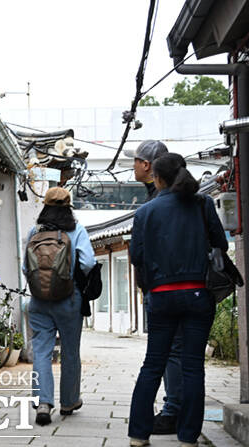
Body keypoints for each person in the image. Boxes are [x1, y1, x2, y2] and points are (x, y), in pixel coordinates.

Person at [128, 153, 228, 447]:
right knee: (193, 366)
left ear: (157, 178)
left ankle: (138, 435)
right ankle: (187, 438)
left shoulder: (146, 212)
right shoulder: (202, 204)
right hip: (198, 293)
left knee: (153, 364)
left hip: (161, 296)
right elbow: (220, 245)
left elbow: (138, 257)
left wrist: (150, 289)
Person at [24, 187, 96, 426]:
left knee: (42, 351)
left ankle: (43, 402)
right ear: (68, 207)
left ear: (45, 205)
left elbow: (26, 267)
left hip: (39, 300)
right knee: (70, 351)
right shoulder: (77, 231)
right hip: (69, 298)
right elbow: (87, 263)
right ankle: (69, 401)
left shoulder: (35, 232)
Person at [128, 140, 183, 435]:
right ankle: (182, 410)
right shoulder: (190, 200)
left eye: (135, 160)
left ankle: (173, 410)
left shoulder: (153, 205)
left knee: (167, 352)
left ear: (148, 167)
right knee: (181, 351)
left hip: (163, 289)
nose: (132, 165)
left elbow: (140, 254)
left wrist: (146, 285)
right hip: (192, 289)